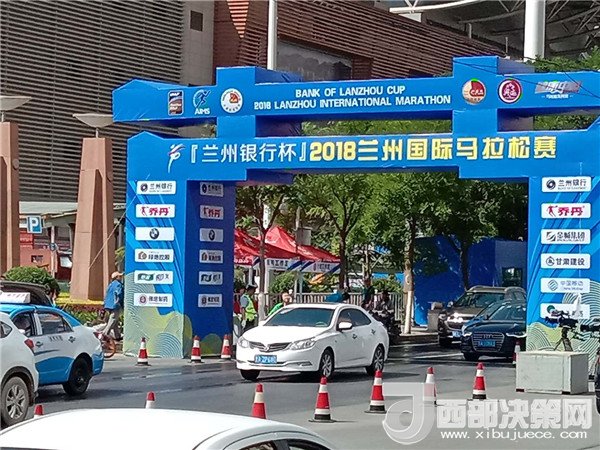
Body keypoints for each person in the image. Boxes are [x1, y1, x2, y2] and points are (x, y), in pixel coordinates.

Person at [103, 271, 124, 340]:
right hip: (115, 305)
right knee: (113, 320)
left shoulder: (111, 284)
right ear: (116, 277)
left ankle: (117, 336)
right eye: (120, 276)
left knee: (115, 321)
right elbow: (119, 294)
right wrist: (121, 303)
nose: (121, 277)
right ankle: (104, 334)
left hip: (109, 305)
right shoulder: (118, 284)